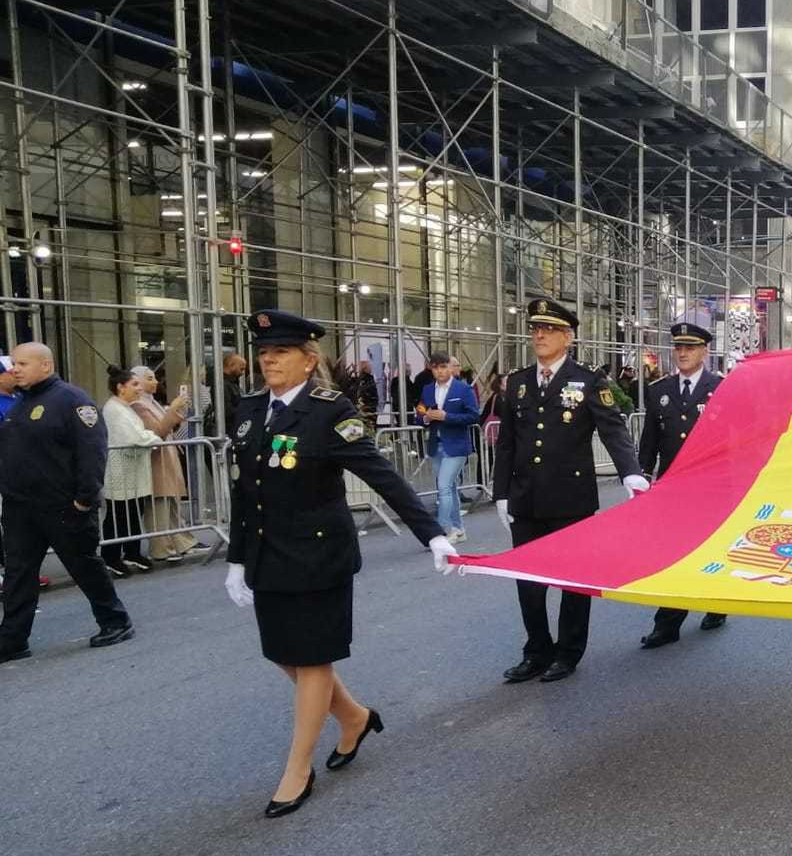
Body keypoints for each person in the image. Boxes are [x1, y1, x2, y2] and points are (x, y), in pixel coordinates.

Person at [224, 309, 453, 818]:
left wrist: (431, 534)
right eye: (263, 353)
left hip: (318, 554)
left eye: (280, 353)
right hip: (268, 552)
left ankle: (296, 769)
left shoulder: (329, 411)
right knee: (283, 653)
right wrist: (237, 559)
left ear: (309, 361)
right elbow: (245, 492)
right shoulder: (248, 409)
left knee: (311, 659)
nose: (268, 361)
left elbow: (382, 475)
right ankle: (353, 717)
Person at [494, 297, 649, 684]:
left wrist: (630, 472)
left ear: (568, 336)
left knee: (573, 581)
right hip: (526, 497)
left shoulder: (589, 380)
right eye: (535, 329)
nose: (539, 335)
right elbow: (507, 443)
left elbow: (612, 429)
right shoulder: (518, 382)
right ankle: (536, 650)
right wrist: (500, 492)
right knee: (528, 582)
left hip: (571, 500)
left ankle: (568, 652)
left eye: (548, 329)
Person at [0, 342, 135, 662]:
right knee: (19, 572)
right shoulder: (19, 403)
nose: (14, 369)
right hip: (21, 508)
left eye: (22, 363)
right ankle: (13, 638)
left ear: (45, 366)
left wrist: (84, 500)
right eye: (13, 364)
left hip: (63, 506)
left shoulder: (71, 400)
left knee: (84, 565)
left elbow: (92, 453)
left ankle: (115, 621)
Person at [638, 321, 728, 649]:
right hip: (672, 489)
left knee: (710, 550)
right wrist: (641, 475)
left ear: (704, 351)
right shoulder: (659, 390)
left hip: (712, 489)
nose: (683, 353)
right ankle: (667, 624)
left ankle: (717, 602)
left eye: (690, 347)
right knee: (672, 554)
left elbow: (734, 441)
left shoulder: (721, 388)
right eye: (678, 347)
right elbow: (649, 439)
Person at [128, 365, 198, 561]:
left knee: (171, 502)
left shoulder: (151, 402)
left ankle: (178, 542)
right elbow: (157, 430)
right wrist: (173, 409)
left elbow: (166, 426)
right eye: (149, 378)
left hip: (165, 456)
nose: (155, 382)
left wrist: (174, 412)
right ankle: (161, 548)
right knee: (159, 505)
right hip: (156, 459)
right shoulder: (138, 405)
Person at [100, 367, 165, 576]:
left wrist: (149, 437)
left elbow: (139, 434)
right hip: (121, 472)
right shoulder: (114, 409)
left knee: (133, 513)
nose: (139, 389)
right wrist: (154, 439)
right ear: (121, 387)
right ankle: (111, 556)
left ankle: (131, 552)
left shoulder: (123, 407)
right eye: (134, 385)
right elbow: (134, 437)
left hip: (132, 470)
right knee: (119, 514)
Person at [417, 351, 479, 543]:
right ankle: (458, 529)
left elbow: (473, 416)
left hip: (457, 445)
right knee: (449, 488)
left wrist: (447, 417)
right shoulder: (427, 389)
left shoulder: (463, 389)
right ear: (431, 369)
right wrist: (426, 418)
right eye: (435, 367)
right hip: (436, 444)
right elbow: (419, 412)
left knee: (443, 487)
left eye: (443, 367)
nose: (440, 371)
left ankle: (442, 530)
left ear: (450, 368)